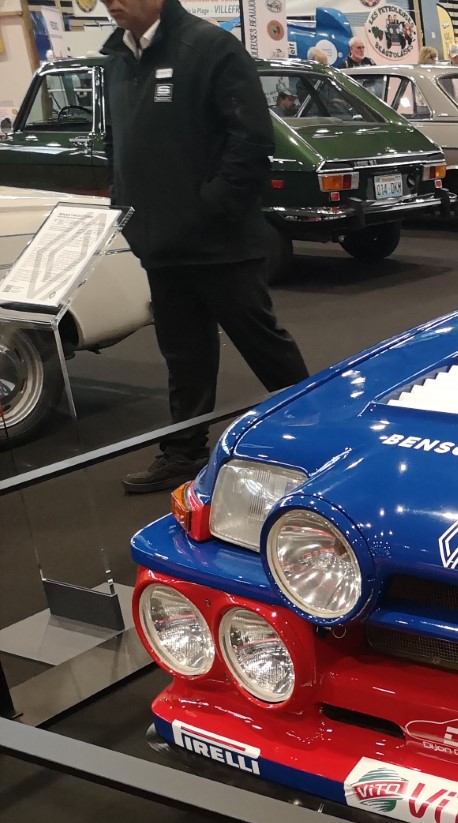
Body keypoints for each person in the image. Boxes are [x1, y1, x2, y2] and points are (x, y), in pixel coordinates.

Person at [99, 0, 309, 494]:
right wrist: (122, 200)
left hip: (221, 244)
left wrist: (212, 207)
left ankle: (314, 434)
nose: (109, 1)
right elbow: (118, 141)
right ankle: (183, 452)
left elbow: (252, 141)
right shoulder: (118, 59)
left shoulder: (210, 48)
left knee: (262, 343)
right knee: (183, 355)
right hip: (159, 242)